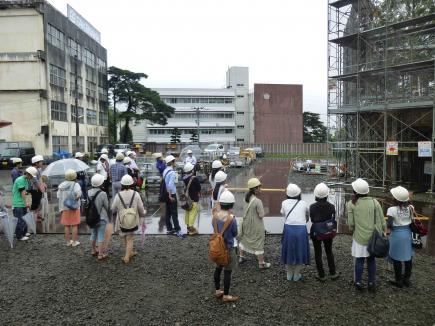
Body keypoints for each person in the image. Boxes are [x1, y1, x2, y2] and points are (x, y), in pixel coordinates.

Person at [347, 178, 386, 293]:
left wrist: (355, 230)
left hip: (359, 238)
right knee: (371, 260)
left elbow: (351, 224)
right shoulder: (375, 202)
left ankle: (358, 282)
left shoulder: (351, 204)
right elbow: (382, 220)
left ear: (355, 191)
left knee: (359, 260)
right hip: (374, 238)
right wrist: (384, 230)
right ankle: (371, 282)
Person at [111, 174, 146, 264]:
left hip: (122, 220)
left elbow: (113, 208)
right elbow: (141, 208)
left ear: (122, 184)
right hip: (133, 219)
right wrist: (143, 213)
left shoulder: (118, 195)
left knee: (124, 237)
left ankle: (129, 253)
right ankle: (127, 256)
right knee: (130, 238)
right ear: (131, 184)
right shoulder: (136, 194)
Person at [212, 190, 239, 302]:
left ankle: (218, 290)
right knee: (228, 271)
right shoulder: (231, 219)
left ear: (221, 203)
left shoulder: (215, 216)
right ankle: (226, 295)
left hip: (218, 247)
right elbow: (235, 234)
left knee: (218, 268)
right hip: (228, 248)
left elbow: (214, 229)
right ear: (231, 204)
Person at [238, 178, 271, 269]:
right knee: (258, 242)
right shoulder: (257, 201)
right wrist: (266, 210)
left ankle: (241, 257)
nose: (261, 190)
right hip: (256, 225)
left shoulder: (246, 198)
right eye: (259, 188)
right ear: (255, 189)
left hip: (246, 223)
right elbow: (261, 215)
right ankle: (261, 263)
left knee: (245, 239)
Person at [309, 183, 339, 281]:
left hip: (316, 232)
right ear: (327, 195)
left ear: (316, 195)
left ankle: (321, 275)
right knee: (329, 251)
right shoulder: (331, 206)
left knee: (318, 252)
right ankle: (333, 273)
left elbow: (312, 220)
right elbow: (332, 218)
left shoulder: (312, 207)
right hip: (328, 231)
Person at [281, 183, 310, 281]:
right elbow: (307, 214)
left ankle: (289, 275)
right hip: (301, 230)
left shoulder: (284, 203)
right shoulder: (304, 203)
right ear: (299, 194)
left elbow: (283, 213)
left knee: (288, 251)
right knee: (300, 251)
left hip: (288, 229)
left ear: (287, 194)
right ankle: (296, 275)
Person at [387, 186, 413, 288]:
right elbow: (411, 220)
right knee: (408, 257)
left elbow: (389, 225)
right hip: (407, 233)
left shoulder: (391, 209)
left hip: (396, 235)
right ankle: (407, 279)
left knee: (396, 258)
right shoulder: (410, 208)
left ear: (395, 198)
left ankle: (398, 281)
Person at [57, 169, 82, 247]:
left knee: (66, 226)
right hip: (74, 208)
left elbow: (58, 196)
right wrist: (74, 200)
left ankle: (68, 242)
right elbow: (78, 195)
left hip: (64, 207)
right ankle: (74, 242)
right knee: (74, 225)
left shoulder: (61, 185)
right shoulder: (76, 185)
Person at [88, 174, 110, 260]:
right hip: (101, 217)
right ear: (101, 184)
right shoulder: (103, 193)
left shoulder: (88, 192)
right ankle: (101, 254)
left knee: (93, 233)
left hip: (92, 217)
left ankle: (93, 250)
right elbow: (107, 206)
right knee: (101, 235)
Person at [12, 167, 37, 241]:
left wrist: (27, 200)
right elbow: (22, 192)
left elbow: (25, 192)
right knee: (20, 220)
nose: (32, 178)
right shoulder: (20, 180)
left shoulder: (25, 180)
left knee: (24, 219)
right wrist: (26, 202)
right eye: (32, 176)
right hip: (18, 203)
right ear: (28, 174)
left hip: (21, 203)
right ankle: (19, 236)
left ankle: (23, 232)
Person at [162, 155, 183, 237]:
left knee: (168, 212)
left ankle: (169, 229)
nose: (175, 163)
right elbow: (170, 185)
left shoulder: (165, 171)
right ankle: (178, 229)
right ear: (172, 162)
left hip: (166, 193)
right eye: (174, 161)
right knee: (174, 213)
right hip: (171, 194)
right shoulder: (172, 172)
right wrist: (171, 196)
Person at [182, 162, 201, 236]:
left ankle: (188, 227)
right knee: (193, 213)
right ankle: (191, 229)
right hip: (193, 199)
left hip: (187, 199)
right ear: (192, 170)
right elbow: (199, 187)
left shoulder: (184, 178)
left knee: (187, 212)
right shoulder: (194, 178)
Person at [29, 155, 46, 219]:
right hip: (34, 189)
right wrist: (41, 187)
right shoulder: (33, 170)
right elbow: (35, 181)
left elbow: (40, 178)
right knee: (35, 203)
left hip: (37, 189)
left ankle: (37, 215)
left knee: (38, 202)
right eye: (40, 162)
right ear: (36, 163)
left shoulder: (38, 169)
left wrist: (43, 183)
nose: (42, 163)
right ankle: (33, 217)